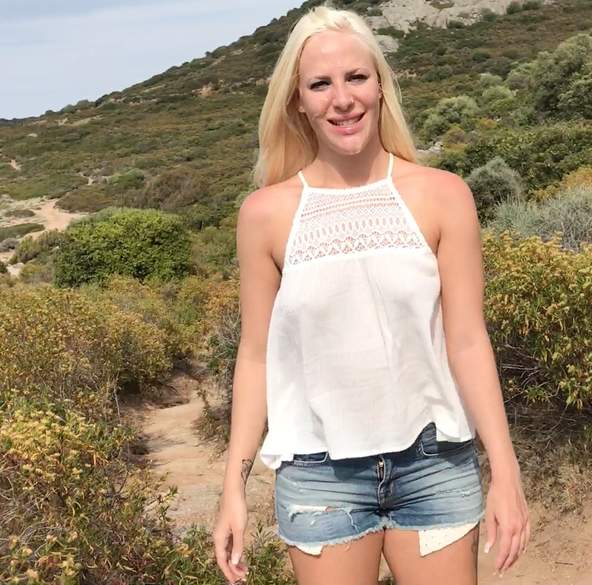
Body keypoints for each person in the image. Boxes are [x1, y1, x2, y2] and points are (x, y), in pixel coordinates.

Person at [213, 6, 529, 584]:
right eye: (320, 84)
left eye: (356, 77)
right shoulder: (264, 215)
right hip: (319, 477)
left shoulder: (443, 196)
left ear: (381, 86)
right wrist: (232, 488)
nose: (342, 99)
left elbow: (466, 340)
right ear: (298, 102)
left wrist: (506, 471)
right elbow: (256, 355)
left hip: (434, 466)